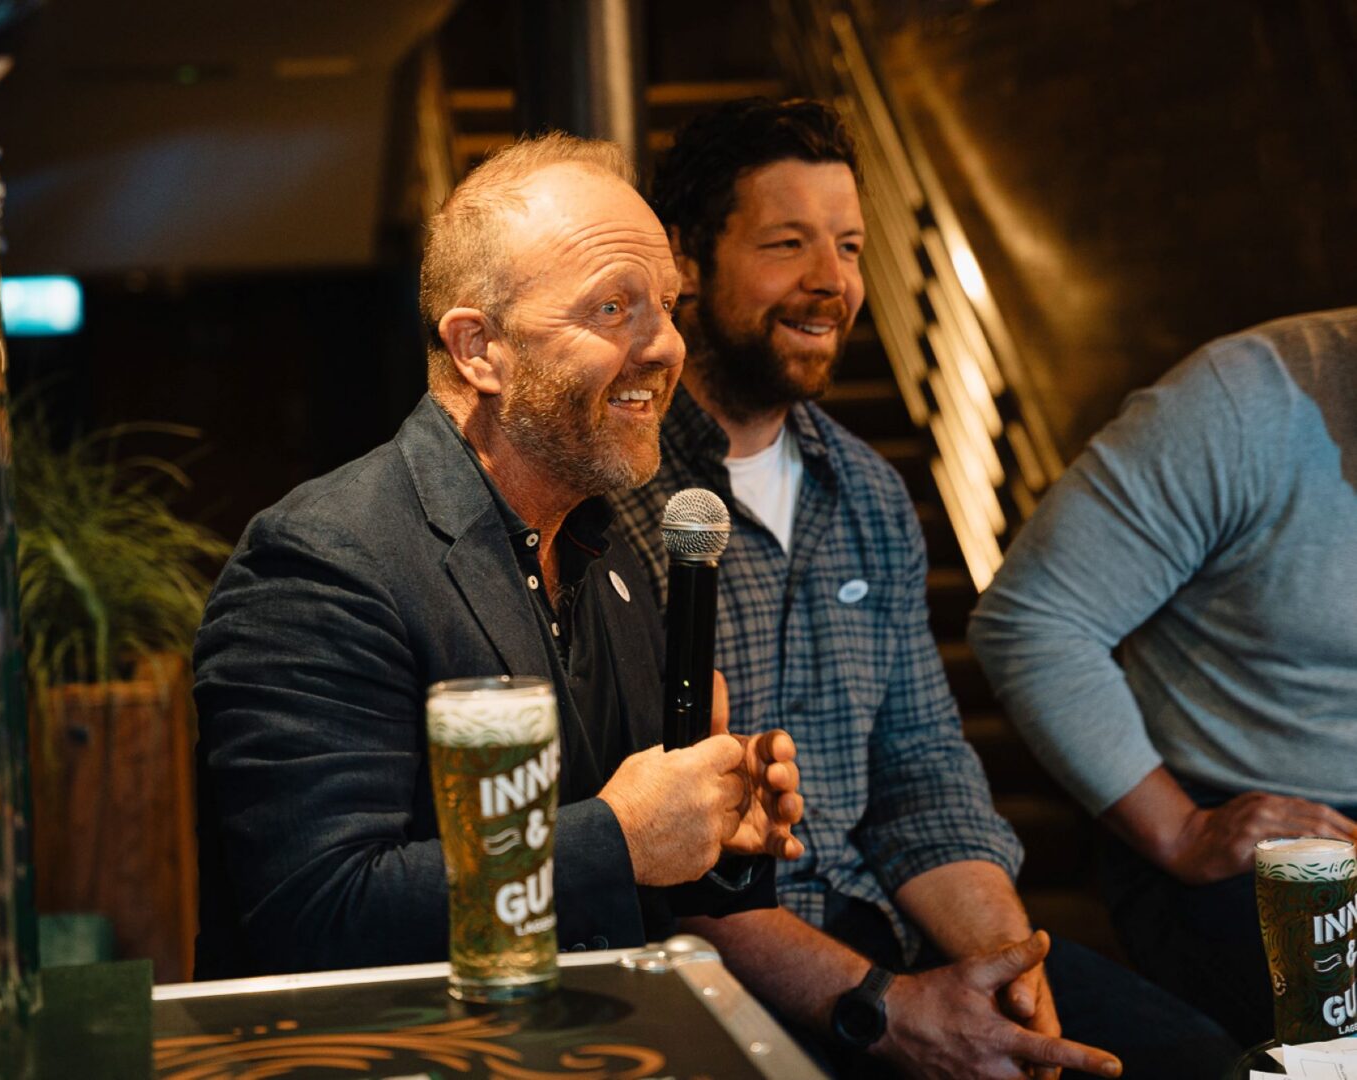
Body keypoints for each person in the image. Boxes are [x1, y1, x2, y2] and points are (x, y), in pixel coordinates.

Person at [610, 97, 1237, 1078]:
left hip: (893, 926)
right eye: (788, 244)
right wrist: (893, 1011)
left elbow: (923, 775)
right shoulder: (617, 497)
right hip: (721, 969)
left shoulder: (869, 492)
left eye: (851, 248)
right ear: (687, 260)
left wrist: (1006, 972)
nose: (831, 283)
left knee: (1194, 1061)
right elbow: (658, 869)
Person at [191, 134, 807, 985]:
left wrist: (715, 834)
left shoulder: (610, 552)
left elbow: (641, 895)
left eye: (665, 305)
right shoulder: (324, 562)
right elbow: (316, 916)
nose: (665, 346)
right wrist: (621, 840)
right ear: (479, 349)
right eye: (612, 309)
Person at [969, 308, 1357, 1047]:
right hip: (1238, 817)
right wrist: (1180, 830)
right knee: (1340, 1045)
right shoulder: (1240, 402)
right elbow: (1033, 620)